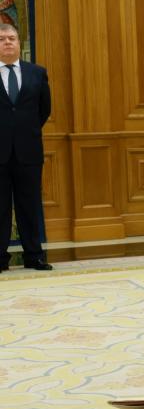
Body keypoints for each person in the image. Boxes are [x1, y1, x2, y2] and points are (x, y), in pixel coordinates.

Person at [0, 23, 51, 272]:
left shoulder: (37, 73)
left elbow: (44, 110)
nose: (7, 42)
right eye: (1, 39)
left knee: (29, 206)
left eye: (12, 38)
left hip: (28, 152)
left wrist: (23, 132)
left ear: (19, 43)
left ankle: (34, 256)